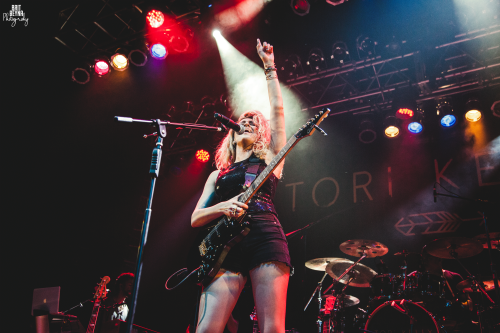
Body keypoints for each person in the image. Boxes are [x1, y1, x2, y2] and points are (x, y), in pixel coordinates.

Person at [191, 38, 291, 333]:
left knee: (271, 328)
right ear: (231, 135)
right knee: (206, 329)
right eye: (243, 119)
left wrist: (270, 67)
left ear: (261, 134)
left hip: (265, 236)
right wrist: (222, 206)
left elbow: (278, 113)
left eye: (254, 121)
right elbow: (196, 218)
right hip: (224, 246)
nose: (248, 121)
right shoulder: (217, 175)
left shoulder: (271, 159)